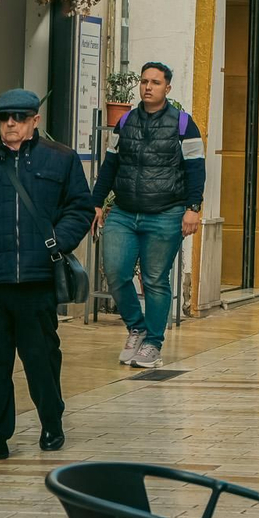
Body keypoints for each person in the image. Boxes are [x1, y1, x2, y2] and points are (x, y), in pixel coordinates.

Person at [0, 89, 93, 464]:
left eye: (19, 117)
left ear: (34, 121)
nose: (10, 123)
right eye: (4, 117)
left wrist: (56, 241)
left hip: (37, 280)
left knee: (41, 357)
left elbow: (81, 208)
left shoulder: (61, 159)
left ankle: (51, 421)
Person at [90, 62, 205, 369]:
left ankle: (153, 343)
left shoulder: (184, 124)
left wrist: (193, 208)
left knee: (154, 279)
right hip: (124, 212)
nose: (148, 87)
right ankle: (136, 328)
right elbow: (110, 165)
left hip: (166, 213)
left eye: (155, 82)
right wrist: (96, 202)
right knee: (115, 272)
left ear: (168, 88)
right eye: (144, 81)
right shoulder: (125, 121)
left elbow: (196, 169)